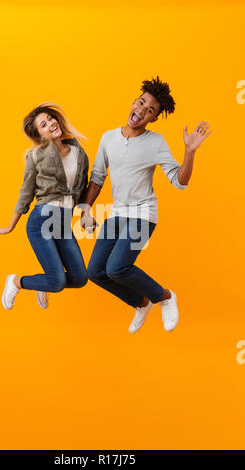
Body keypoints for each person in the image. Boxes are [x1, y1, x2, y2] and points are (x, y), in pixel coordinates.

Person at [81, 77, 212, 334]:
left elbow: (179, 181)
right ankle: (141, 303)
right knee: (95, 273)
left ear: (153, 118)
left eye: (150, 109)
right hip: (117, 214)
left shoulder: (155, 142)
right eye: (141, 102)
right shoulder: (108, 139)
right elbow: (97, 177)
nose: (142, 110)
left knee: (117, 267)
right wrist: (85, 210)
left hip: (143, 214)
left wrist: (189, 152)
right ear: (133, 102)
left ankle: (164, 296)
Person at [0, 102, 89, 310]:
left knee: (80, 278)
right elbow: (26, 191)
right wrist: (11, 225)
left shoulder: (79, 154)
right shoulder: (36, 156)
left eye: (50, 119)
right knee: (58, 281)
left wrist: (86, 214)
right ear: (41, 136)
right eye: (43, 125)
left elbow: (80, 191)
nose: (50, 124)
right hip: (41, 221)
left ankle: (43, 284)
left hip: (62, 223)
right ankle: (16, 282)